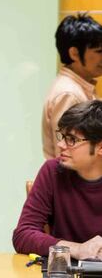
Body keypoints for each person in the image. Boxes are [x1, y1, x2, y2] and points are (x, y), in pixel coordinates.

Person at [14, 100, 102, 259]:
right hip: (63, 270)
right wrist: (77, 249)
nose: (61, 144)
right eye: (62, 136)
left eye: (72, 139)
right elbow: (23, 234)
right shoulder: (52, 171)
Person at [42, 13, 102, 159]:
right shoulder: (69, 93)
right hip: (72, 181)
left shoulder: (78, 87)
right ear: (74, 53)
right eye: (99, 51)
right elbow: (67, 156)